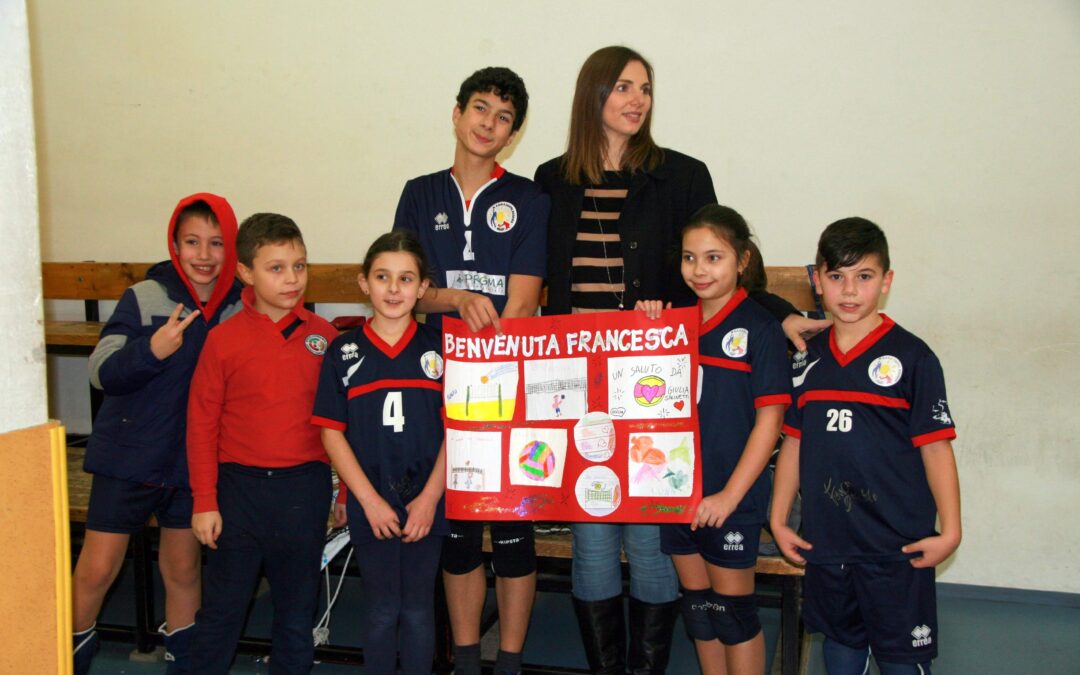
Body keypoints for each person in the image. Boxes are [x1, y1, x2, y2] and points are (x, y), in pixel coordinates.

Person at [533, 45, 826, 674]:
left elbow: (721, 259)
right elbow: (535, 283)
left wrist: (780, 313)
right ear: (593, 98)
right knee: (590, 530)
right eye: (622, 88)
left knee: (649, 530)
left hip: (651, 375)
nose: (637, 99)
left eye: (645, 88)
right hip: (579, 377)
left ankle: (648, 667)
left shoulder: (682, 173)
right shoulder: (550, 179)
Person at [391, 66, 549, 675]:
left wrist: (490, 369)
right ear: (456, 114)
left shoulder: (530, 199)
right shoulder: (419, 192)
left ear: (513, 133)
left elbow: (525, 298)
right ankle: (462, 656)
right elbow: (406, 288)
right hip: (437, 378)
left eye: (503, 116)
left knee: (512, 533)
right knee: (456, 530)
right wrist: (453, 300)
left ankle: (507, 660)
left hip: (505, 384)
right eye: (479, 108)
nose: (488, 122)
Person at [770, 217, 961, 675]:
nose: (849, 290)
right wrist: (777, 517)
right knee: (840, 649)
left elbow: (936, 448)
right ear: (817, 281)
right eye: (836, 276)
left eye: (864, 276)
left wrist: (950, 530)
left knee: (901, 661)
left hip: (896, 547)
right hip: (828, 540)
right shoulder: (806, 358)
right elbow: (794, 440)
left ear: (886, 281)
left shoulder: (913, 357)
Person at [71, 193, 242, 675]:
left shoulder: (238, 308)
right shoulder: (146, 296)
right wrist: (153, 349)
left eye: (216, 242)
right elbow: (101, 371)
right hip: (128, 459)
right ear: (174, 244)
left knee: (183, 571)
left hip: (193, 465)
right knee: (98, 569)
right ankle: (66, 658)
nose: (204, 255)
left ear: (231, 249)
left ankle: (182, 665)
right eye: (192, 242)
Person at [639, 205, 790, 674]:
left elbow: (771, 423)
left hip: (731, 497)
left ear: (742, 260)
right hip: (677, 493)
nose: (699, 270)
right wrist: (646, 325)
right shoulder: (671, 327)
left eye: (713, 257)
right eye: (689, 258)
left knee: (733, 613)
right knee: (699, 608)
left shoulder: (761, 329)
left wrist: (728, 496)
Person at [186, 213, 336, 674]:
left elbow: (341, 427)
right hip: (238, 494)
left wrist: (344, 492)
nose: (291, 279)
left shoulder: (325, 339)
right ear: (245, 273)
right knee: (221, 614)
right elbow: (201, 424)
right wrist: (205, 501)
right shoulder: (222, 341)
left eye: (300, 266)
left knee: (295, 616)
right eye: (276, 268)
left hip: (304, 490)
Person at [312, 231, 447, 675]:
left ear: (423, 287)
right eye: (383, 277)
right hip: (372, 505)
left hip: (427, 502)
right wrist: (366, 501)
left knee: (418, 608)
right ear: (364, 283)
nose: (394, 289)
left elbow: (459, 430)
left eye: (406, 279)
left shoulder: (440, 351)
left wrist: (429, 499)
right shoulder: (342, 351)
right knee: (382, 609)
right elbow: (332, 434)